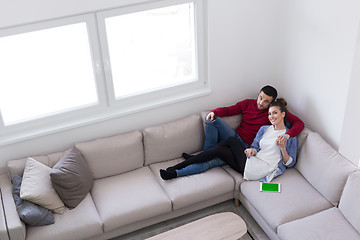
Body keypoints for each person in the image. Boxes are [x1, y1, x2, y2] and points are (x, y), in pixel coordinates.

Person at [162, 85, 304, 178]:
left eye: (266, 101)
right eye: (260, 98)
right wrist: (213, 112)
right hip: (236, 140)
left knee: (212, 161)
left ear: (272, 103)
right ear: (258, 94)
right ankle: (206, 154)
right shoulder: (250, 106)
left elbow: (298, 124)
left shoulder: (274, 113)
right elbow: (229, 110)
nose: (261, 103)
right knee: (212, 120)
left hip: (243, 148)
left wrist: (287, 135)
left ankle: (177, 171)